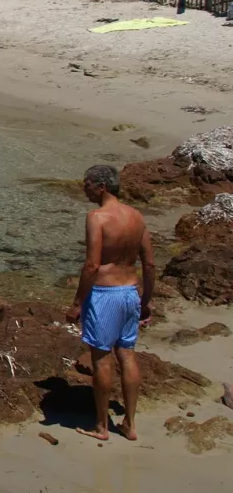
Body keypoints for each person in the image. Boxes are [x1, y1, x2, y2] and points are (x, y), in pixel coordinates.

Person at [66, 164, 155, 442]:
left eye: (87, 183)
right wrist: (147, 300)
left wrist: (78, 302)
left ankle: (102, 426)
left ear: (101, 186)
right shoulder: (136, 217)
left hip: (105, 294)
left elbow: (92, 264)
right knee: (127, 355)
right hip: (130, 292)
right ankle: (129, 424)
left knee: (102, 358)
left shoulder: (97, 217)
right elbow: (149, 263)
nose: (84, 187)